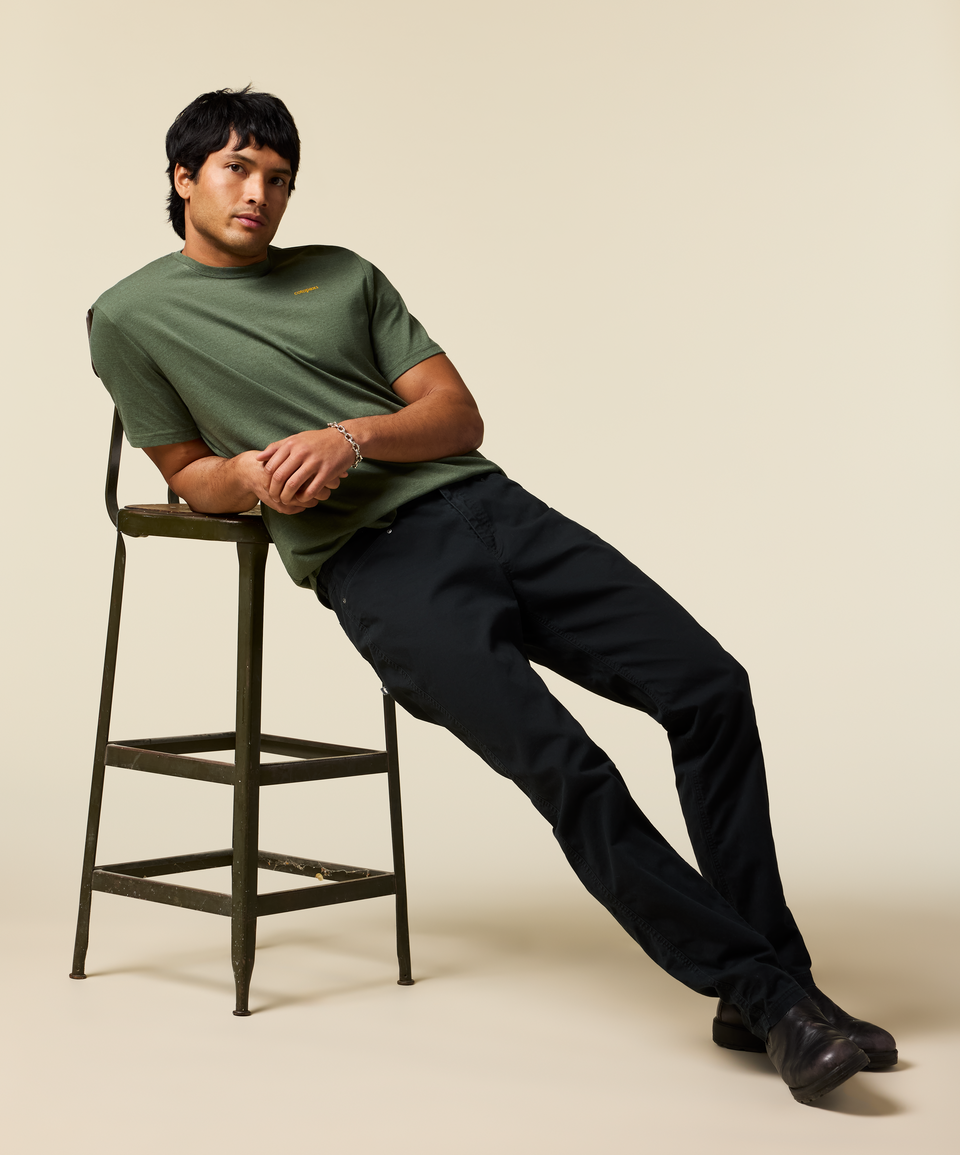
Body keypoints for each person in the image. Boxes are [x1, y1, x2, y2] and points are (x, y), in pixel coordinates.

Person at [89, 86, 896, 1104]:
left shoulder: (346, 275)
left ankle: (777, 989)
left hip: (493, 511)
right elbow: (187, 474)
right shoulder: (129, 316)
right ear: (184, 178)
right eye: (237, 170)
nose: (260, 194)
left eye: (279, 178)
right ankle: (771, 1000)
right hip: (377, 563)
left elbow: (457, 416)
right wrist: (251, 474)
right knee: (569, 768)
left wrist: (348, 437)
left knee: (709, 687)